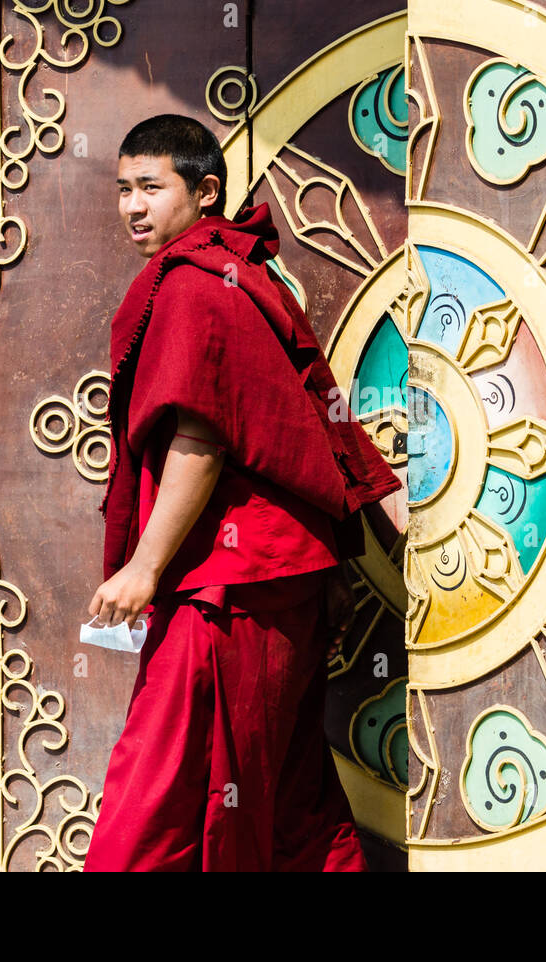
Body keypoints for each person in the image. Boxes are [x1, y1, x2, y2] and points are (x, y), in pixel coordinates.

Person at [82, 114, 401, 872]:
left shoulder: (197, 285)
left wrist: (145, 568)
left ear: (206, 191)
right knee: (290, 805)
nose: (133, 206)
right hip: (281, 579)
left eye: (152, 188)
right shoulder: (243, 274)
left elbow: (202, 439)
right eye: (124, 189)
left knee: (155, 807)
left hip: (228, 590)